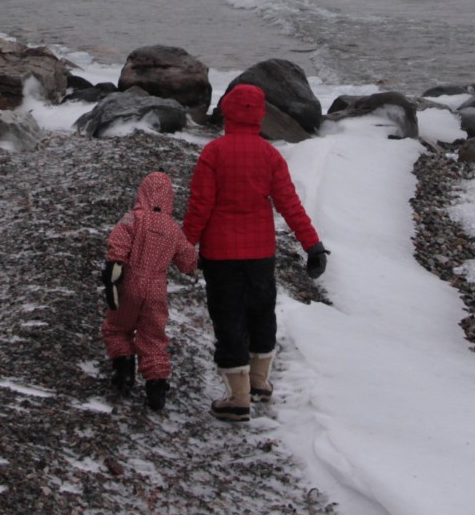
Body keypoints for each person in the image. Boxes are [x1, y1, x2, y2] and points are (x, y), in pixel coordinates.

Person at [181, 82, 330, 422]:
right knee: (262, 312)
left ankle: (238, 397)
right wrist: (313, 245)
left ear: (227, 111)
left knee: (229, 318)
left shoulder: (213, 153)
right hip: (260, 253)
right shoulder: (270, 155)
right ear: (260, 115)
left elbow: (200, 207)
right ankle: (260, 382)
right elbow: (290, 205)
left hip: (220, 255)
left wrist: (183, 246)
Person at [101, 170, 199, 412]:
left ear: (142, 192)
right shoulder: (173, 229)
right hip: (156, 289)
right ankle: (156, 385)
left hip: (130, 284)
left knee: (117, 328)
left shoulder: (133, 219)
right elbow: (188, 261)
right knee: (153, 337)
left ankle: (123, 369)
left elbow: (118, 244)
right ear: (169, 198)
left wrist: (114, 267)